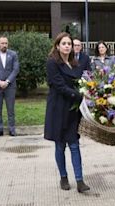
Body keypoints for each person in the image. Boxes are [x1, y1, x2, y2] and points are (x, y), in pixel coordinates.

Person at [44, 32, 90, 192]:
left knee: (74, 144)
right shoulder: (52, 63)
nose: (67, 46)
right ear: (57, 46)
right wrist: (80, 95)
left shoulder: (75, 63)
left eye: (69, 44)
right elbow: (59, 86)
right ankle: (63, 177)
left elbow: (82, 81)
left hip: (72, 110)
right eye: (64, 43)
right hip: (58, 109)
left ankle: (79, 181)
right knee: (60, 145)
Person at [0, 35, 19, 137]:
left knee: (11, 109)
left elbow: (15, 70)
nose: (4, 45)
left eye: (6, 43)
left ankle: (12, 129)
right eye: (2, 43)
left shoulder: (13, 54)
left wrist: (8, 81)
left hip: (10, 86)